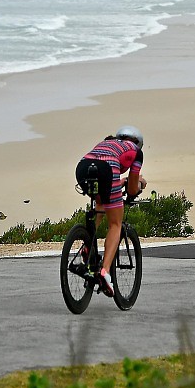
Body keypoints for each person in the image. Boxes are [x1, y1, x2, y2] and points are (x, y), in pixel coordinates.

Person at [75, 124, 147, 297]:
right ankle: (105, 272)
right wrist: (138, 185)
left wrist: (120, 182)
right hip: (108, 170)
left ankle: (88, 245)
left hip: (83, 167)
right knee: (115, 223)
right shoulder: (137, 152)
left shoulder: (107, 142)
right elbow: (131, 189)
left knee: (101, 203)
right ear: (138, 142)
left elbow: (103, 164)